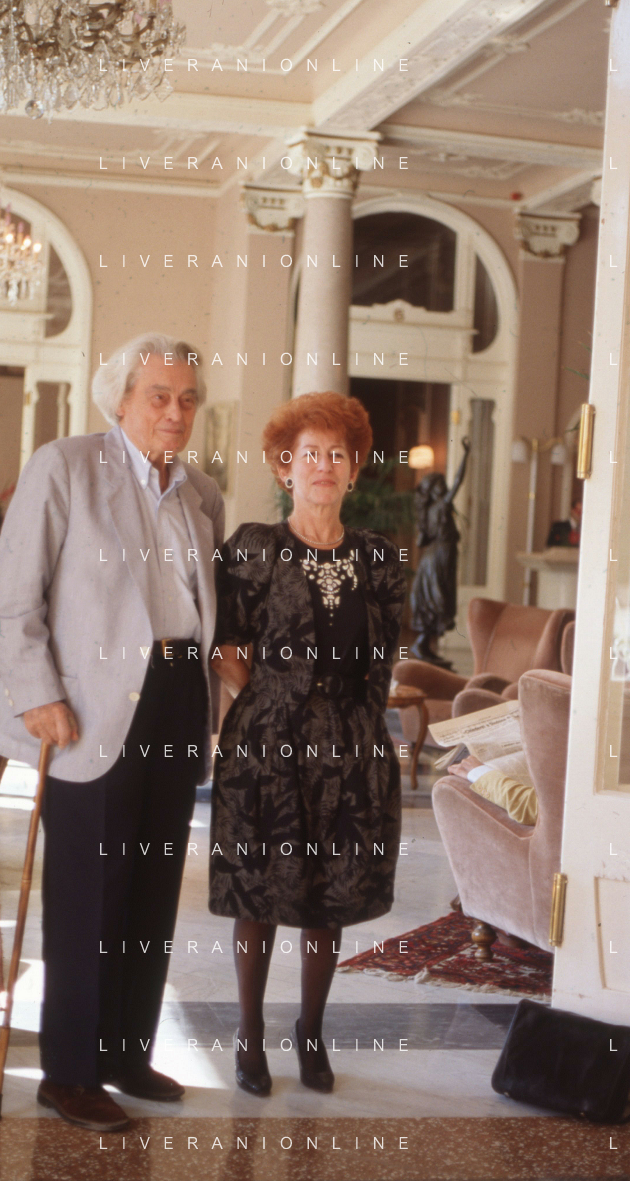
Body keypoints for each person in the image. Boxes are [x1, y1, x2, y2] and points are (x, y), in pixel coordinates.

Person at [0, 333, 224, 1133]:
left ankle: (125, 1052)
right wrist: (37, 694)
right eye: (158, 395)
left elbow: (204, 603)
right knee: (89, 893)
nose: (175, 411)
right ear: (120, 400)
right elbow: (13, 598)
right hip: (89, 706)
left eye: (187, 398)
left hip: (177, 694)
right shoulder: (65, 467)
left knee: (152, 886)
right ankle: (70, 1072)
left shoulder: (202, 494)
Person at [209, 392, 406, 1096]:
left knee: (330, 894)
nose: (323, 465)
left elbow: (384, 657)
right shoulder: (255, 548)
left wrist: (360, 730)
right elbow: (226, 644)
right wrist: (269, 699)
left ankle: (311, 1030)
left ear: (354, 470)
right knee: (260, 893)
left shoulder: (379, 559)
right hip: (267, 747)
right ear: (285, 468)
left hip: (351, 745)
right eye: (309, 454)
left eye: (336, 455)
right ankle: (248, 1035)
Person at [410, 437, 471, 666]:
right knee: (439, 597)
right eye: (440, 484)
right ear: (434, 490)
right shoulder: (442, 505)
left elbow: (421, 540)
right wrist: (466, 454)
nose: (444, 487)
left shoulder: (427, 512)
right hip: (442, 554)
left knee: (436, 596)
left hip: (433, 556)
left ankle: (424, 645)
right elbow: (458, 481)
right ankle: (421, 644)